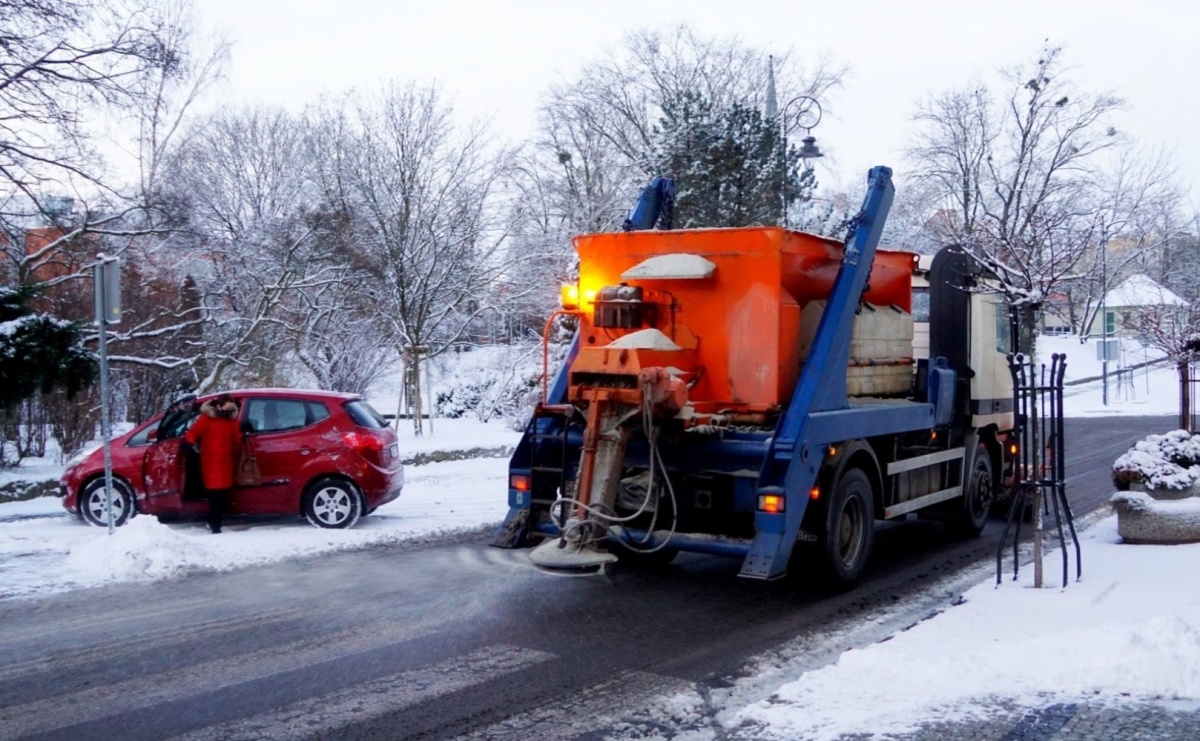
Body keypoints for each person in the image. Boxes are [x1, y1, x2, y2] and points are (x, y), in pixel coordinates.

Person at [184, 394, 242, 534]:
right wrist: (187, 444)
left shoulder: (231, 421)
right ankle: (214, 523)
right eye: (226, 408)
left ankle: (215, 521)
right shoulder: (206, 419)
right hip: (211, 462)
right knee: (215, 494)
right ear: (218, 406)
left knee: (222, 495)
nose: (228, 411)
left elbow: (236, 439)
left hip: (226, 462)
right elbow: (193, 432)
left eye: (231, 409)